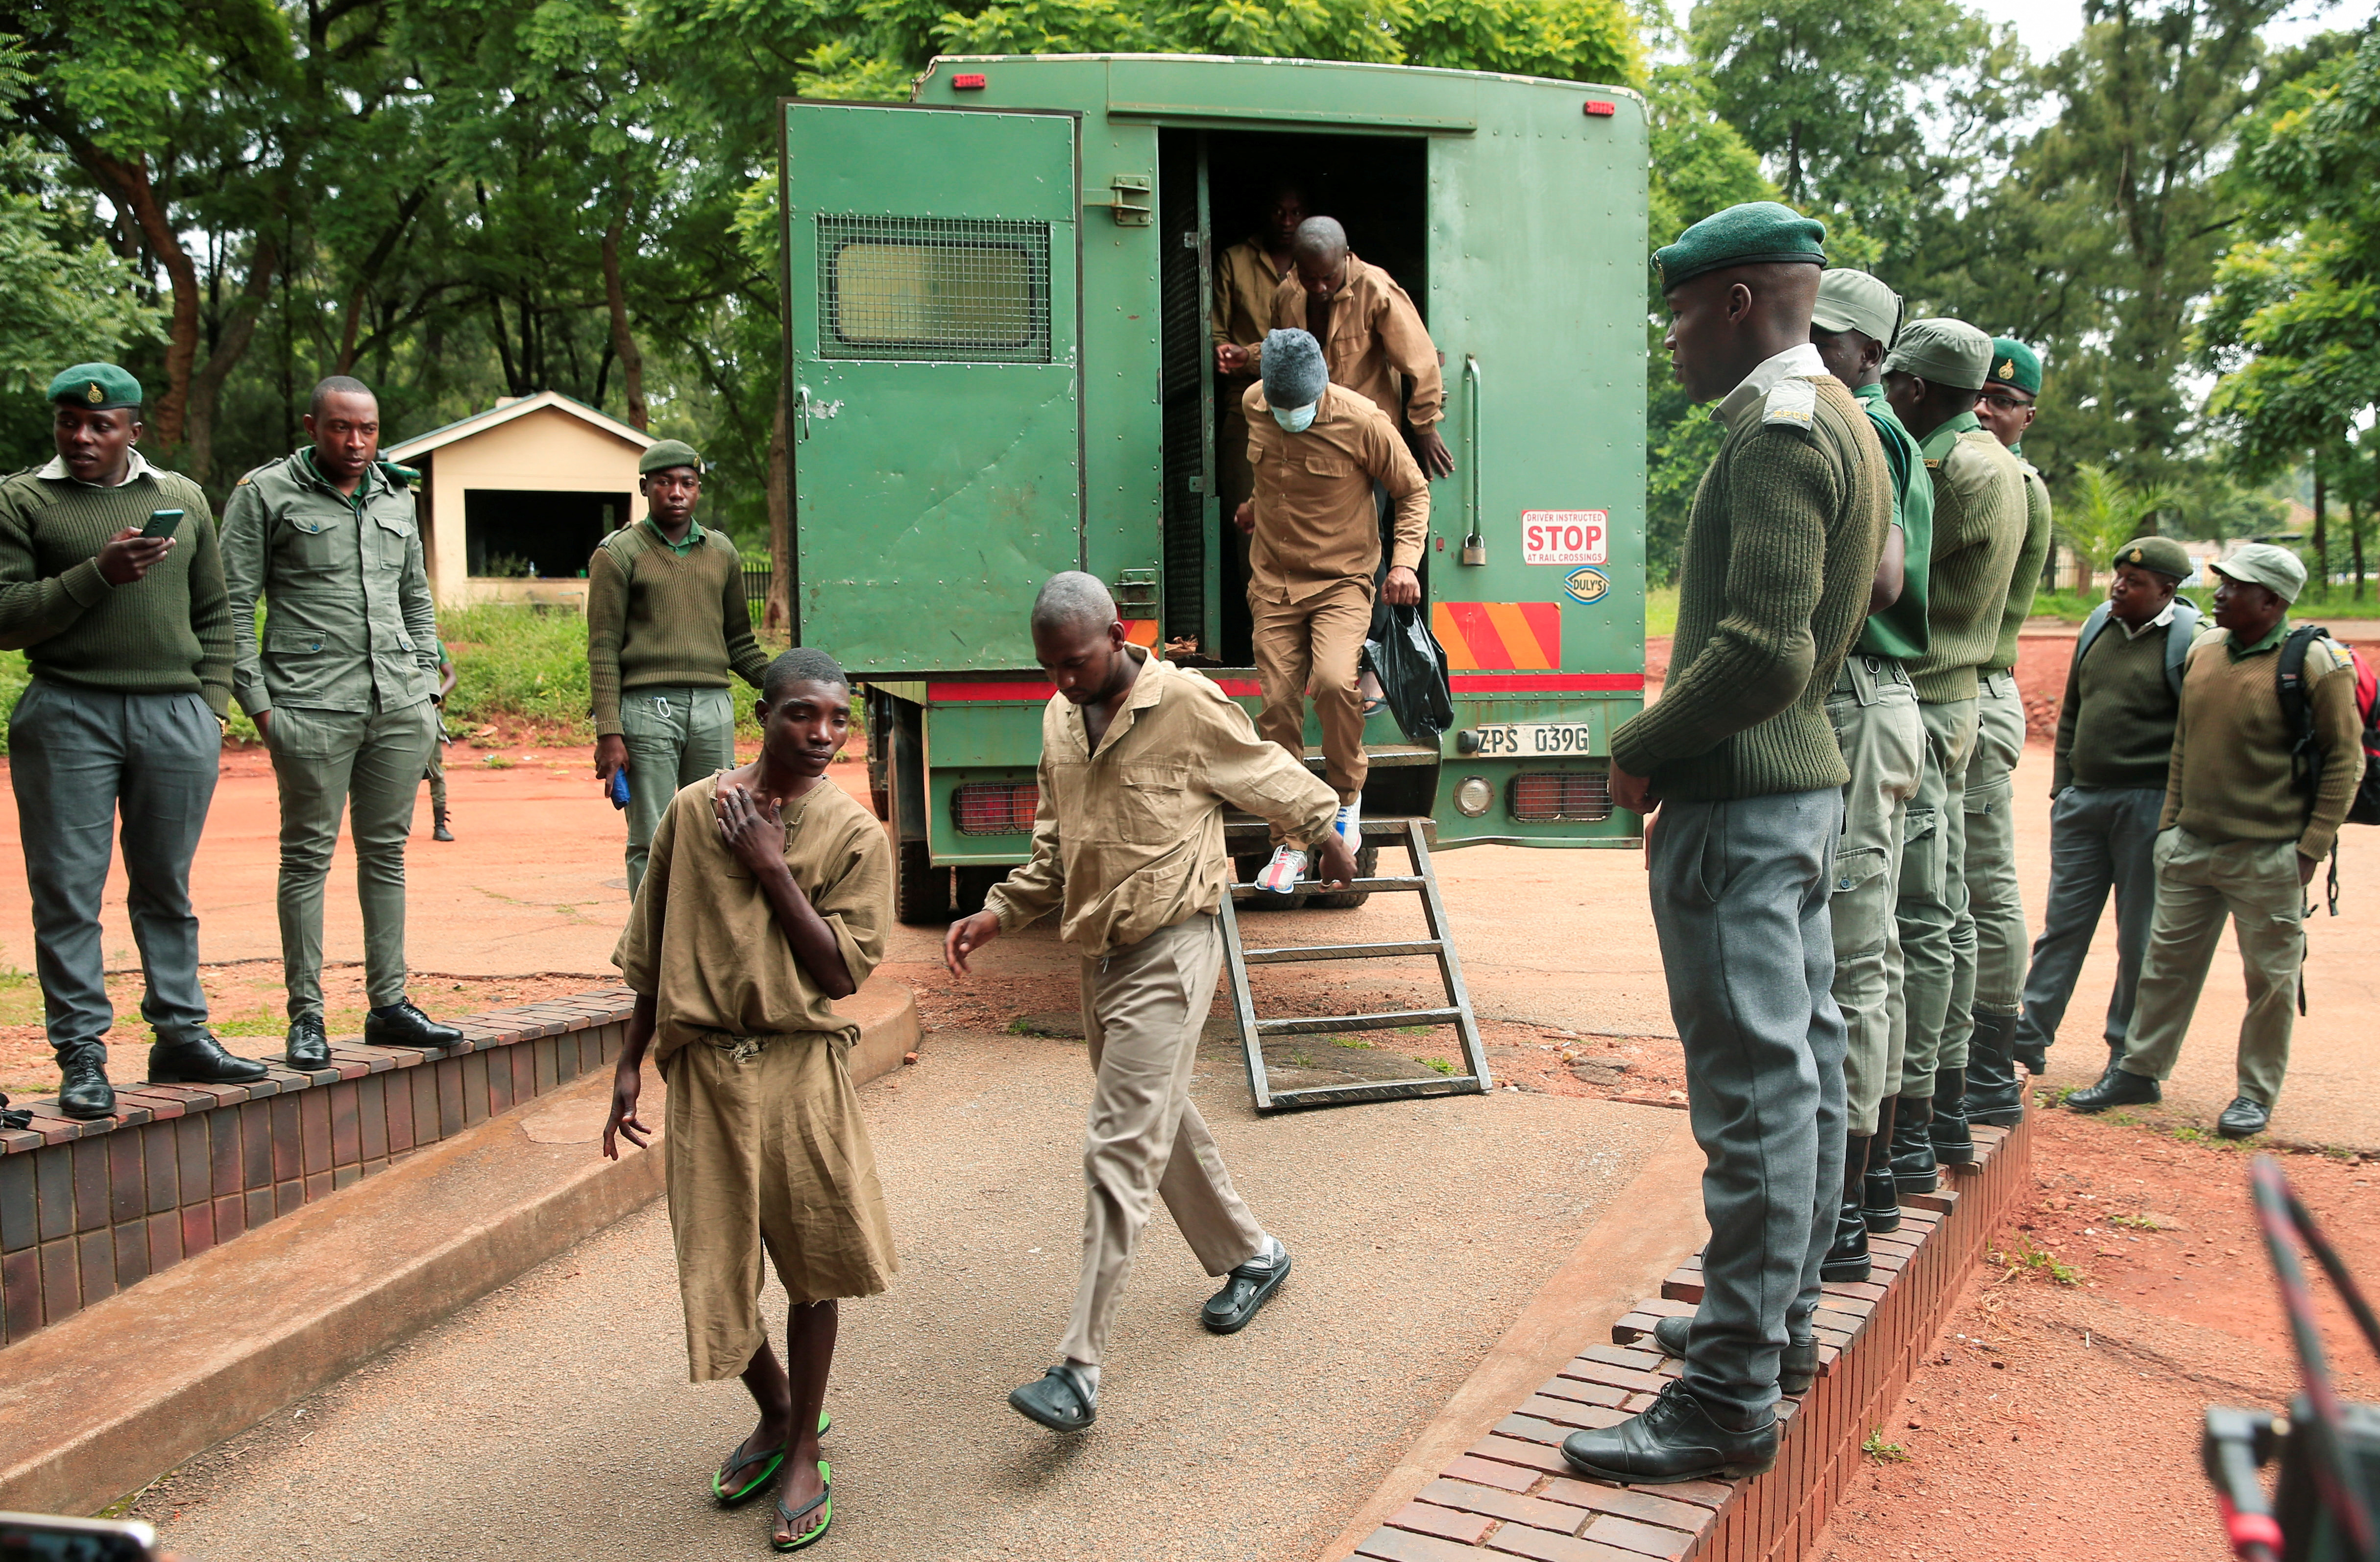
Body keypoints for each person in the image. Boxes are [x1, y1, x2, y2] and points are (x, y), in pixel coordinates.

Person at [1562, 203, 1890, 1487]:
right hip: (1792, 795)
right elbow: (1849, 607)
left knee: (1755, 1102)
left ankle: (1726, 1399)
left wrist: (1640, 745)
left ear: (1744, 302)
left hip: (1740, 807)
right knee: (1796, 1074)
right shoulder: (1845, 422)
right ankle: (1771, 1325)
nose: (1674, 338)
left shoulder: (1776, 435)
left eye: (1684, 312)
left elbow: (1764, 649)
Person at [941, 572, 1358, 1434]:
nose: (1062, 681)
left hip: (1174, 943)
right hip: (1100, 953)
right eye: (1048, 667)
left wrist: (1327, 834)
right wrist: (997, 911)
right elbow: (1055, 847)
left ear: (1117, 634)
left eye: (1076, 661)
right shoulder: (1060, 718)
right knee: (1156, 1117)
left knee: (1118, 1143)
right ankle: (1253, 1252)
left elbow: (1267, 772)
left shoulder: (1185, 704)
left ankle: (1078, 1367)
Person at [603, 647, 896, 1551]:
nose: (822, 734)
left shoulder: (854, 834)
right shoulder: (695, 811)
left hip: (800, 1065)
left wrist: (771, 865)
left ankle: (804, 1444)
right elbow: (653, 943)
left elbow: (840, 973)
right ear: (760, 713)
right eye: (801, 714)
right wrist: (628, 1061)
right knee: (717, 1269)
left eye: (838, 720)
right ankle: (776, 1405)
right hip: (704, 1073)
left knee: (816, 1259)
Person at [0, 363, 267, 1120]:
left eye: (101, 425)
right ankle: (82, 1054)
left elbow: (218, 612)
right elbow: (7, 615)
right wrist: (97, 574)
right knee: (67, 895)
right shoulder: (22, 500)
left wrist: (210, 708)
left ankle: (181, 1036)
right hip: (67, 714)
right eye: (68, 423)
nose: (82, 437)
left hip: (173, 718)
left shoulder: (179, 499)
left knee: (165, 889)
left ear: (133, 430)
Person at [2064, 544, 2363, 1139]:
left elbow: (2344, 762)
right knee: (2163, 967)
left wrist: (2311, 848)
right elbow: (2184, 745)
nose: (2219, 594)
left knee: (2270, 981)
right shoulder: (2204, 650)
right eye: (2220, 582)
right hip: (2190, 845)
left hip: (2269, 851)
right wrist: (2171, 824)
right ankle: (2139, 1070)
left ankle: (2254, 1092)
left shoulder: (2316, 664)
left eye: (2234, 587)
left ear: (2271, 601)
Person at [220, 375, 461, 1069]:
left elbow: (415, 597)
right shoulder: (264, 494)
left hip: (397, 707)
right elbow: (234, 605)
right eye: (340, 428)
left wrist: (425, 690)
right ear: (311, 426)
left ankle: (389, 1004)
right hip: (308, 706)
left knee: (385, 855)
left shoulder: (395, 495)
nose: (355, 443)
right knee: (306, 859)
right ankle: (307, 1016)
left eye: (368, 430)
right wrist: (262, 709)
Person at [1877, 320, 2026, 1196]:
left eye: (1896, 382)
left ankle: (1921, 1113)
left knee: (1920, 918)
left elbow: (1901, 579)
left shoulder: (1953, 467)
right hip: (1962, 691)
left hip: (1932, 693)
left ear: (1917, 386)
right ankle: (1946, 1101)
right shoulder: (2001, 466)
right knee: (1950, 910)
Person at [1804, 269, 1930, 1273]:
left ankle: (1843, 1209)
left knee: (1850, 959)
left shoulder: (1866, 429)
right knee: (1871, 950)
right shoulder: (1884, 425)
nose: (1814, 347)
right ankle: (1870, 1177)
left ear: (1873, 355)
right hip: (1881, 694)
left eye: (1831, 337)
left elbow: (1877, 576)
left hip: (1856, 685)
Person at [1232, 327, 1427, 893]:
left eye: (1301, 405)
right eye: (1281, 405)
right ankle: (1289, 842)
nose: (1290, 414)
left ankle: (1345, 798)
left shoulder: (1362, 420)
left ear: (1321, 387)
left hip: (1342, 580)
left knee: (1336, 682)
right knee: (1276, 709)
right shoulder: (1254, 405)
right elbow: (1273, 476)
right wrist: (1252, 508)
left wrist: (1405, 564)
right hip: (1273, 580)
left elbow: (1412, 491)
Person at [2013, 537, 2200, 1078]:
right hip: (2083, 802)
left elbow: (2196, 732)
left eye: (2134, 581)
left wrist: (2174, 809)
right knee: (2062, 927)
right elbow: (2073, 707)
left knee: (2137, 934)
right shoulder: (2099, 622)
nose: (2119, 585)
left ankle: (2126, 1053)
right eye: (2118, 575)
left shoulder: (2190, 642)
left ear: (2166, 590)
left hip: (2148, 805)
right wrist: (2063, 786)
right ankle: (2029, 1036)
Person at [587, 439, 770, 898]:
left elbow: (740, 643)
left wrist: (790, 683)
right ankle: (648, 957)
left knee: (718, 829)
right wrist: (610, 734)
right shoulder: (619, 555)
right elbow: (604, 649)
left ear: (698, 489)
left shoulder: (722, 553)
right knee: (650, 838)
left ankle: (704, 948)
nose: (676, 492)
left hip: (713, 709)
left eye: (687, 483)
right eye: (665, 482)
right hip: (647, 711)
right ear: (646, 487)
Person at [1956, 337, 2058, 1125]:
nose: (1987, 410)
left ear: (2029, 415)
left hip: (1978, 687)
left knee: (1984, 882)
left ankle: (1990, 1060)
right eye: (1979, 394)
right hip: (1971, 692)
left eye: (2004, 400)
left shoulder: (2005, 482)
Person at [1217, 217, 1454, 481]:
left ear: (1346, 257)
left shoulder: (1376, 290)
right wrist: (1250, 356)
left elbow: (1419, 358)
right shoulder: (1286, 295)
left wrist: (1425, 427)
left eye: (1329, 277)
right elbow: (1289, 354)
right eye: (1309, 277)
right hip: (1308, 434)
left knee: (1366, 518)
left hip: (1363, 435)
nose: (1320, 288)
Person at [1211, 181, 1310, 659]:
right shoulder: (1234, 260)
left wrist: (1250, 354)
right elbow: (1217, 345)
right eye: (1278, 210)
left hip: (1307, 413)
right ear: (1265, 215)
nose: (1287, 220)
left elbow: (1307, 350)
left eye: (1295, 211)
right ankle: (1264, 640)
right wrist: (1250, 360)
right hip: (1245, 410)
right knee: (1247, 524)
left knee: (1305, 521)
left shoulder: (1317, 268)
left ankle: (1308, 639)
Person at [423, 637, 455, 841]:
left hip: (428, 714)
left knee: (435, 770)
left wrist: (437, 697)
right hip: (395, 714)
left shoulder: (432, 643)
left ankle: (440, 825)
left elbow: (451, 677)